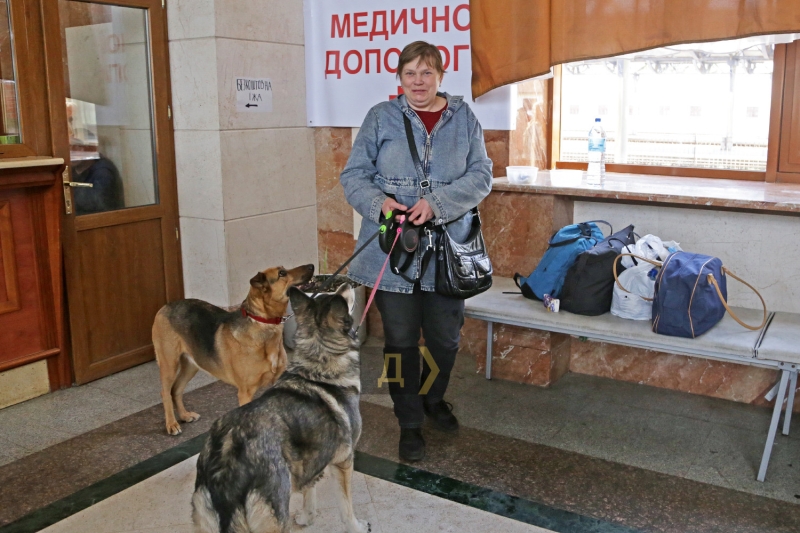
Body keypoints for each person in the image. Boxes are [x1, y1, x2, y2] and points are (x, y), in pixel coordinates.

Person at [340, 41, 493, 462]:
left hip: (448, 251)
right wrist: (381, 204)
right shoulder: (380, 117)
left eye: (427, 73)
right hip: (394, 251)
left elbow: (483, 175)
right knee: (400, 341)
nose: (418, 82)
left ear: (441, 76)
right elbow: (354, 174)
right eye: (410, 73)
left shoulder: (464, 119)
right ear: (399, 78)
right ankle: (409, 422)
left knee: (445, 340)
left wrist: (438, 204)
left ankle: (432, 397)